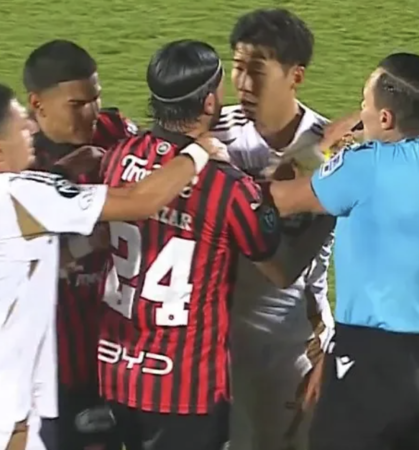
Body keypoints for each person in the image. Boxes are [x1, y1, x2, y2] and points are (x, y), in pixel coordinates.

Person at [0, 82, 222, 450]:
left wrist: (86, 244)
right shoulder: (20, 194)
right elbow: (139, 200)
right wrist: (198, 152)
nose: (32, 127)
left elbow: (17, 266)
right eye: (21, 124)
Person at [96, 39, 334, 450]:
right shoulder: (226, 187)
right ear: (209, 102)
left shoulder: (118, 157)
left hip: (115, 370)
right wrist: (329, 206)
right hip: (183, 386)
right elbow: (281, 271)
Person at [269, 53, 419, 450]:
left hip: (371, 360)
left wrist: (209, 166)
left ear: (386, 118)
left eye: (365, 104)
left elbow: (279, 201)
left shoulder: (365, 167)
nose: (360, 112)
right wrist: (378, 125)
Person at [211, 9, 335, 450]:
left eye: (258, 70)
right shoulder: (212, 135)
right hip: (217, 343)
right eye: (237, 67)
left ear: (295, 75)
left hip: (294, 345)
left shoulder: (328, 152)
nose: (243, 83)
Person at [22, 39, 136, 450]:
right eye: (77, 104)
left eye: (95, 99)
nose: (91, 113)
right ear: (38, 104)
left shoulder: (115, 131)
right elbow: (12, 264)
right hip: (55, 361)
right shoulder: (19, 164)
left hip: (122, 350)